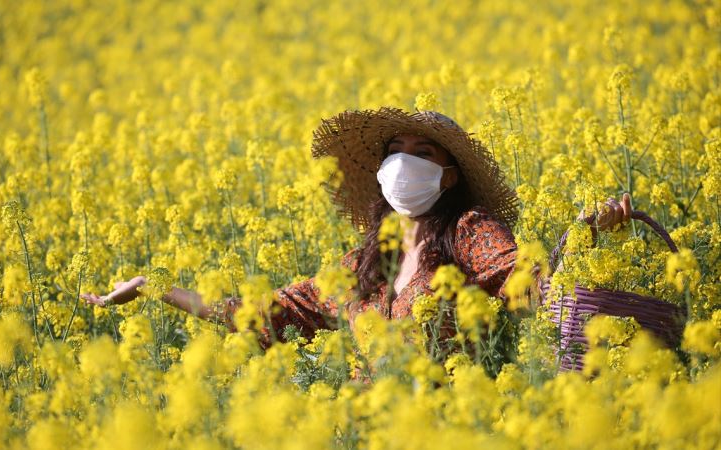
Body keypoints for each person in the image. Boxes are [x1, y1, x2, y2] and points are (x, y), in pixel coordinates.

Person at [82, 107, 632, 350]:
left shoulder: (468, 229)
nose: (403, 162)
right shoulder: (366, 262)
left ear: (449, 175)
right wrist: (154, 288)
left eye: (422, 152)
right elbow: (271, 315)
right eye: (394, 152)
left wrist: (585, 234)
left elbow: (525, 282)